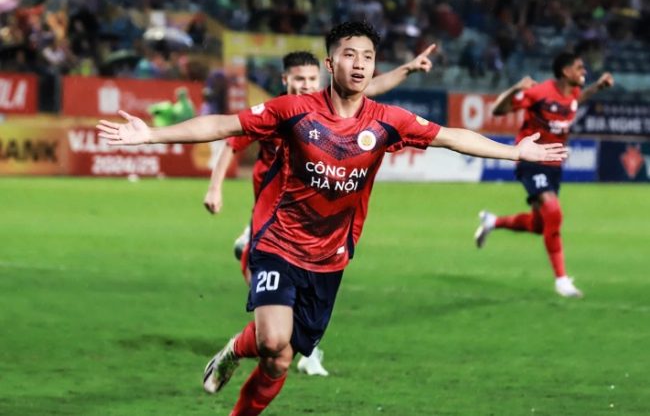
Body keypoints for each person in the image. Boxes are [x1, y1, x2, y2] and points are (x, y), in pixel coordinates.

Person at [97, 21, 567, 416]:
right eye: (349, 55)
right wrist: (149, 135)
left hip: (330, 258)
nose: (360, 64)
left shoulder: (386, 120)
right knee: (273, 340)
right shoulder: (294, 110)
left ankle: (235, 350)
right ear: (330, 63)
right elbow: (223, 125)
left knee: (281, 361)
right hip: (279, 244)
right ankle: (242, 351)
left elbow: (450, 135)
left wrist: (513, 152)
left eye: (368, 56)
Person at [203, 47, 438, 377]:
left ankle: (273, 345)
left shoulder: (331, 108)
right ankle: (273, 344)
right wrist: (215, 187)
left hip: (319, 230)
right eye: (299, 79)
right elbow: (231, 140)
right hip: (273, 225)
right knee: (274, 316)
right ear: (285, 80)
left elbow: (373, 86)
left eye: (312, 79)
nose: (306, 85)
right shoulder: (277, 113)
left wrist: (408, 69)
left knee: (283, 324)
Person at [474, 52, 613, 298]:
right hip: (531, 159)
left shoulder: (572, 93)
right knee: (553, 211)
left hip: (554, 164)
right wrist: (516, 88)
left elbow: (576, 100)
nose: (584, 71)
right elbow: (498, 110)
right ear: (565, 71)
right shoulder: (539, 93)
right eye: (579, 67)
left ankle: (492, 222)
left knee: (540, 225)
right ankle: (561, 280)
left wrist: (598, 87)